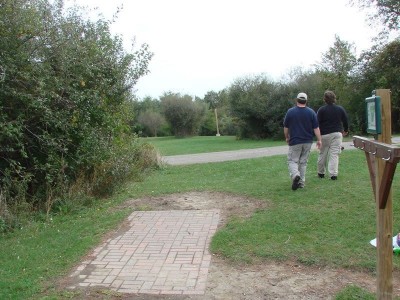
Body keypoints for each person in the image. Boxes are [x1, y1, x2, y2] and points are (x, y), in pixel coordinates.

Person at [284, 92, 322, 190]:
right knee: (303, 162)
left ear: (297, 100)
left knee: (292, 160)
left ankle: (296, 175)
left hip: (295, 141)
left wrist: (287, 137)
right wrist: (319, 140)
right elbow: (316, 128)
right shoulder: (311, 112)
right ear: (306, 101)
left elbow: (286, 127)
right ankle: (301, 183)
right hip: (308, 141)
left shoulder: (290, 112)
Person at [316, 90, 349, 180]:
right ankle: (333, 174)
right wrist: (345, 130)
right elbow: (345, 120)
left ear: (325, 99)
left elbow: (317, 124)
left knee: (323, 153)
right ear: (334, 98)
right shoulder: (340, 109)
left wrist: (318, 136)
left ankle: (321, 173)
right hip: (337, 133)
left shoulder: (321, 110)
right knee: (334, 154)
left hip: (324, 134)